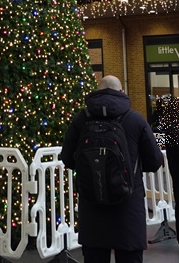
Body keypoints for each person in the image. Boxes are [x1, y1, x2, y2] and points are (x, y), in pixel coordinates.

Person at [62, 76, 163, 263]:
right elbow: (155, 161)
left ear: (98, 90)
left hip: (92, 205)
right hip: (128, 207)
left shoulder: (81, 119)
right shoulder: (135, 119)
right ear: (121, 91)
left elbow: (67, 158)